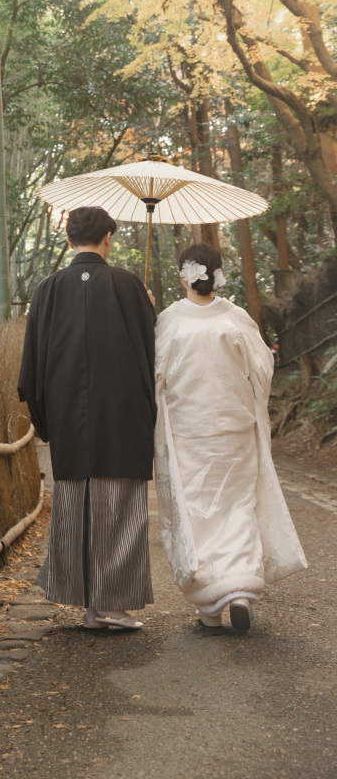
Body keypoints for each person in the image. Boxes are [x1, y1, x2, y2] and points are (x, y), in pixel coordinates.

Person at [154, 242, 307, 632]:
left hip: (190, 431)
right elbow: (262, 370)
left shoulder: (169, 320)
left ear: (183, 275)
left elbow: (156, 376)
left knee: (199, 512)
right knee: (238, 506)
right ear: (219, 273)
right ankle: (238, 592)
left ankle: (209, 608)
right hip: (236, 428)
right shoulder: (236, 318)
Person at [17, 205, 157, 630]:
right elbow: (154, 356)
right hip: (122, 416)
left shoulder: (48, 289)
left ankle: (89, 606)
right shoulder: (128, 285)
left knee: (75, 508)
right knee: (119, 507)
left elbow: (32, 366)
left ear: (67, 239)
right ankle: (112, 604)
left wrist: (46, 420)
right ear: (108, 238)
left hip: (67, 418)